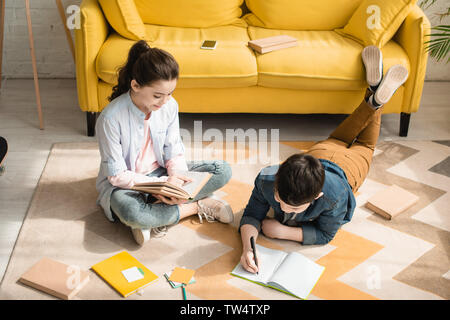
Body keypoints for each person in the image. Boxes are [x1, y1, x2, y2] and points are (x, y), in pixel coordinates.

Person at [239, 46, 409, 273]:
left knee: (363, 144)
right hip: (319, 156)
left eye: (293, 206)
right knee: (339, 137)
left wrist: (284, 232)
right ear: (278, 174)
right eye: (279, 198)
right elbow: (251, 214)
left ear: (317, 197)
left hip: (349, 168)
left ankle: (375, 99)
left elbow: (326, 233)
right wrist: (247, 249)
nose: (281, 206)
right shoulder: (266, 179)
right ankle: (374, 97)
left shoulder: (334, 196)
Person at [96, 40, 233, 246]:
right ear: (135, 85)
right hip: (130, 184)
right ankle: (196, 206)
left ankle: (156, 214)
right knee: (131, 212)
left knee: (222, 169)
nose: (165, 101)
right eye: (158, 95)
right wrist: (160, 187)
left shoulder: (169, 106)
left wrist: (176, 179)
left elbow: (174, 150)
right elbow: (116, 176)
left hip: (163, 173)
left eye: (170, 93)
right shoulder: (110, 119)